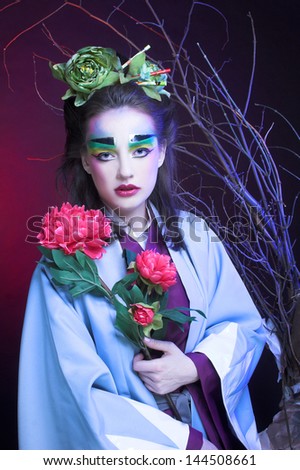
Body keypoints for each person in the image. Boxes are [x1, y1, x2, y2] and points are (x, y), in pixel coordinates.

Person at [18, 46, 266, 450]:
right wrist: (184, 445)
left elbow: (245, 327)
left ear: (163, 150)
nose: (126, 170)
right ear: (84, 160)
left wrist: (194, 366)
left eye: (140, 149)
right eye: (104, 153)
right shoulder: (62, 266)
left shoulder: (195, 236)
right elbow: (73, 396)